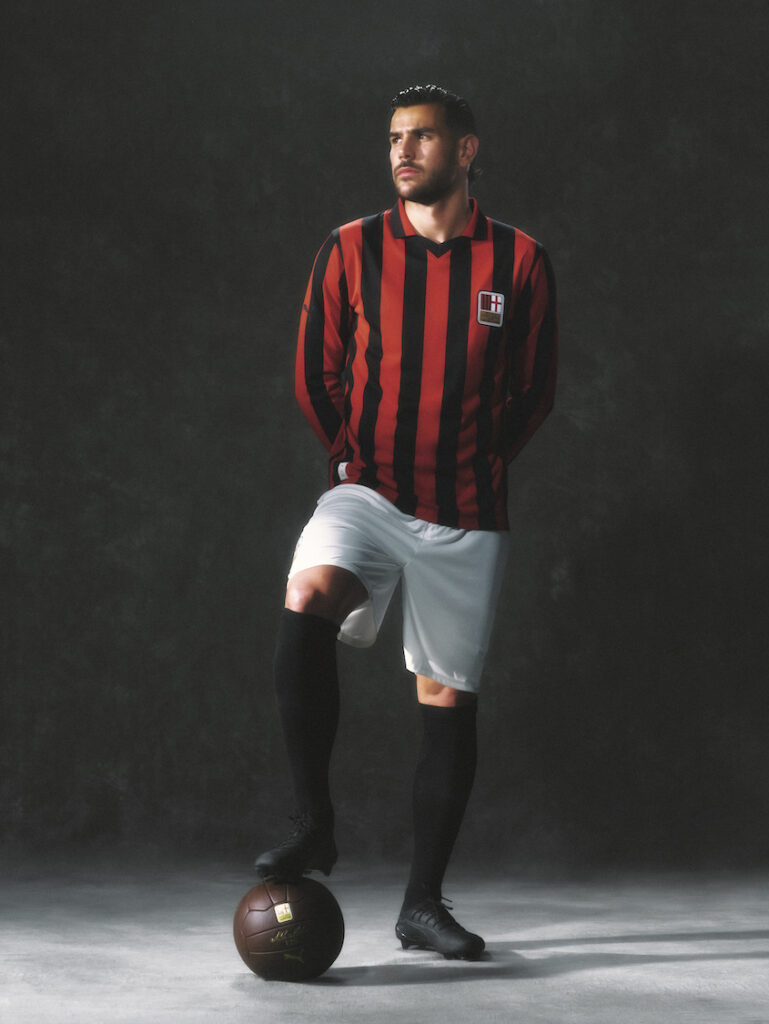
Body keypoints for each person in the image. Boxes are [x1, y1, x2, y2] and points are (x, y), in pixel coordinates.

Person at [255, 84, 558, 961]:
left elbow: (533, 392)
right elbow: (315, 375)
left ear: (465, 151)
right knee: (308, 593)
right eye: (394, 137)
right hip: (370, 492)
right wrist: (356, 457)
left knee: (445, 697)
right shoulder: (349, 248)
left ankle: (421, 905)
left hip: (467, 511)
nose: (402, 150)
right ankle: (313, 825)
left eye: (421, 136)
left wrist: (476, 461)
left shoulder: (520, 260)